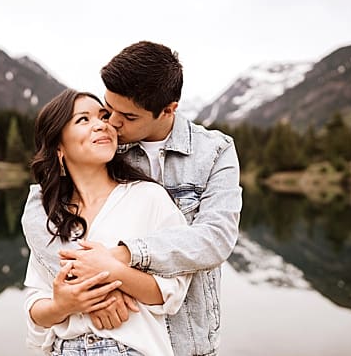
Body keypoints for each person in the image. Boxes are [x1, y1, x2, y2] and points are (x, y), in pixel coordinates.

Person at [24, 42, 243, 356]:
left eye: (126, 116)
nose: (111, 122)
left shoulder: (213, 152)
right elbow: (42, 204)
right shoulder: (107, 146)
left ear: (168, 110)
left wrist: (119, 259)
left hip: (187, 339)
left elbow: (215, 238)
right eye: (107, 109)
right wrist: (92, 290)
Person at [21, 90, 191, 356]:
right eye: (83, 119)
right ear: (59, 148)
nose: (102, 124)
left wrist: (113, 272)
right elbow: (36, 306)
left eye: (103, 116)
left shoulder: (149, 197)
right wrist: (63, 305)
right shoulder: (50, 217)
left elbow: (171, 290)